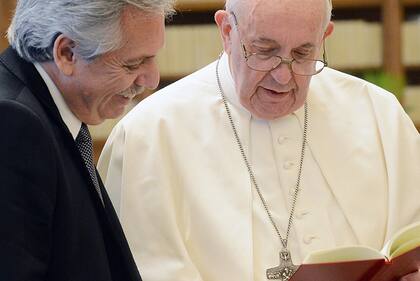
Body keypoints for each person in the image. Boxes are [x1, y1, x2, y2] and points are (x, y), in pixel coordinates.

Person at [98, 0, 420, 280]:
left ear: (324, 37)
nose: (283, 76)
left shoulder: (379, 115)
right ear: (226, 31)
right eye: (264, 51)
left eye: (303, 52)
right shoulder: (149, 135)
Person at [0, 0, 174, 280]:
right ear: (67, 53)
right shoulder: (13, 124)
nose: (151, 80)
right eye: (133, 64)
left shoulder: (43, 110)